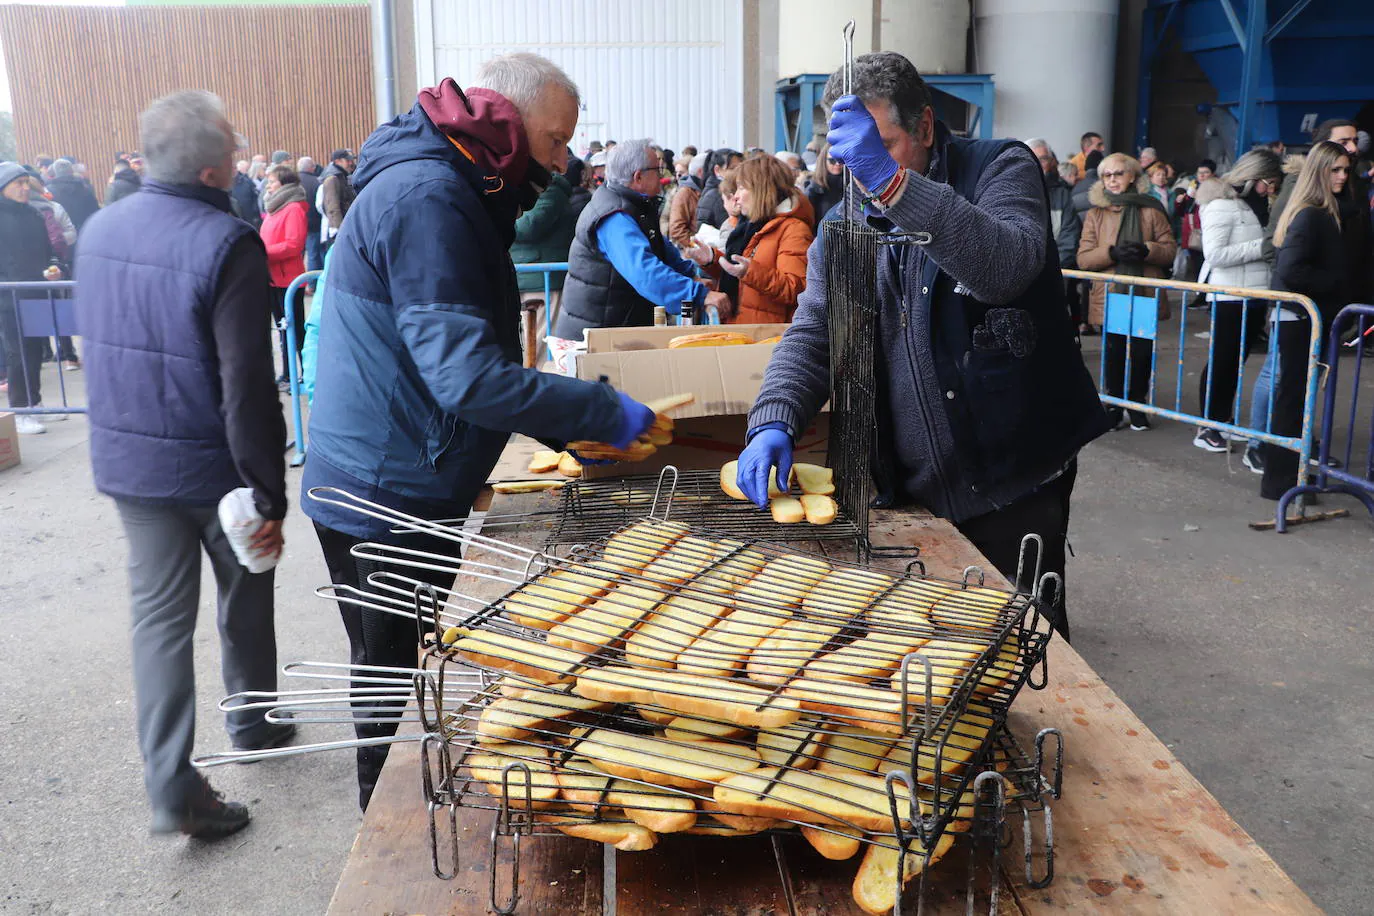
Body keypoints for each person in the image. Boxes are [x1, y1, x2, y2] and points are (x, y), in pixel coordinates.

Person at [303, 54, 661, 809]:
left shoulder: (449, 179)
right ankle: (387, 835)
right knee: (393, 686)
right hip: (384, 489)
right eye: (557, 142)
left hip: (391, 467)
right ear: (510, 120)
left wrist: (557, 435)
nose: (563, 164)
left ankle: (395, 806)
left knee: (393, 665)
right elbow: (463, 375)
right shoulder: (430, 196)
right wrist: (599, 413)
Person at [741, 52, 1106, 639]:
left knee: (1024, 649)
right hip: (910, 488)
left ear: (927, 127)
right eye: (851, 157)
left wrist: (894, 184)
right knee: (930, 652)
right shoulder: (844, 225)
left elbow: (1006, 267)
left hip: (1013, 478)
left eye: (881, 146)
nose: (862, 173)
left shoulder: (1000, 168)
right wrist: (773, 419)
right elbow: (815, 333)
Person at [74, 91, 292, 840]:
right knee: (246, 593)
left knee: (160, 625)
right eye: (233, 151)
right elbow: (247, 385)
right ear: (213, 167)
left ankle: (171, 785)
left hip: (130, 464)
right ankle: (252, 721)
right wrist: (268, 490)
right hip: (213, 467)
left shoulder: (98, 230)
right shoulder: (227, 240)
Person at [553, 139, 729, 339]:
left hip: (613, 329)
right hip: (597, 335)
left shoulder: (633, 206)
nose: (662, 175)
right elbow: (645, 272)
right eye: (657, 169)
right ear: (638, 177)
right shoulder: (614, 217)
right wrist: (699, 294)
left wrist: (691, 276)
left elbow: (661, 247)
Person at [1261, 141, 1351, 500]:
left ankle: (1288, 478)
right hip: (1299, 317)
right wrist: (1337, 285)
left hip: (1300, 316)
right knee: (1292, 398)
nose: (1343, 176)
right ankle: (1282, 481)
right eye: (1336, 170)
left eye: (1346, 169)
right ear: (1320, 172)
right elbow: (1291, 270)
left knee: (1295, 398)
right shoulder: (1311, 213)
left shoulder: (1317, 210)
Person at [1077, 152, 1178, 431]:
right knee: (1114, 352)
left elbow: (1170, 250)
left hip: (1144, 292)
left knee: (1143, 352)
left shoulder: (1152, 209)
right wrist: (1111, 252)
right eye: (1107, 175)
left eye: (1118, 174)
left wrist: (1148, 250)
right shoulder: (1096, 213)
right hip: (1112, 294)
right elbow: (1083, 258)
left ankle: (1137, 404)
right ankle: (1113, 405)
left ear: (1132, 176)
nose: (1112, 180)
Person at [1192, 149, 1283, 453]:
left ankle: (1223, 420)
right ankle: (1208, 425)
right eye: (1266, 182)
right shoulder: (1221, 205)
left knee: (1234, 363)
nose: (1269, 188)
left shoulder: (1255, 204)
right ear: (1252, 176)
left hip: (1255, 294)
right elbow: (1215, 255)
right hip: (1230, 296)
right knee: (1223, 361)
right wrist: (1264, 247)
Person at [704, 155, 814, 324]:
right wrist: (711, 259)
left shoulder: (793, 230)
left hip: (767, 337)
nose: (736, 197)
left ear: (761, 190)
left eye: (742, 188)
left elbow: (796, 288)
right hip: (743, 329)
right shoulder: (750, 225)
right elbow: (738, 273)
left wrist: (750, 272)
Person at [0, 162, 54, 434]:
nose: (23, 188)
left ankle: (35, 402)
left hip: (35, 293)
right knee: (17, 352)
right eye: (17, 184)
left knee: (35, 352)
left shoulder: (34, 215)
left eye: (25, 183)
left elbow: (49, 252)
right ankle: (20, 409)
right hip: (8, 298)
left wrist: (55, 268)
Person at [259, 165, 309, 384]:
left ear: (284, 184)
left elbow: (294, 244)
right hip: (273, 278)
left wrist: (262, 252)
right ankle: (288, 373)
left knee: (296, 330)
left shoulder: (293, 208)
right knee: (281, 330)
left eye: (272, 181)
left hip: (288, 279)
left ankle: (306, 372)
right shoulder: (274, 207)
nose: (268, 185)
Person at [511, 166, 577, 311]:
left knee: (540, 333)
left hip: (542, 283)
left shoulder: (551, 190)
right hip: (527, 279)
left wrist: (497, 219)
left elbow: (528, 227)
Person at [1027, 139, 1082, 272]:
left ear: (1051, 162)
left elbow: (1069, 241)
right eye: (1031, 157)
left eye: (1043, 159)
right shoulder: (1008, 192)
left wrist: (1048, 273)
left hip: (1051, 276)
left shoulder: (1062, 196)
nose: (1037, 163)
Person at [46, 158, 99, 231]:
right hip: (84, 231)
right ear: (72, 171)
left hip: (63, 234)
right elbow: (95, 212)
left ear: (55, 172)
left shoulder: (48, 192)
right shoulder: (85, 189)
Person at [668, 151, 706, 249]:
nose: (678, 176)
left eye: (681, 173)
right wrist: (696, 247)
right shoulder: (684, 193)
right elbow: (677, 229)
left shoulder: (702, 190)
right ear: (700, 172)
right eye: (677, 173)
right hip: (694, 254)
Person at [696, 148, 742, 230]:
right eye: (732, 168)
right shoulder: (717, 195)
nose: (738, 172)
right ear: (717, 170)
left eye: (740, 168)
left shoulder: (730, 190)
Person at [319, 148, 356, 248]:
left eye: (351, 160)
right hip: (339, 231)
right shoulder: (332, 178)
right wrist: (341, 231)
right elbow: (332, 208)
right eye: (347, 160)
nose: (350, 163)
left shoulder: (342, 176)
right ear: (337, 161)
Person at [296, 156, 324, 276]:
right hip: (314, 223)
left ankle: (300, 281)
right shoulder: (317, 182)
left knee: (299, 255)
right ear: (311, 168)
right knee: (313, 254)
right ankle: (313, 283)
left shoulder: (292, 182)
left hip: (296, 224)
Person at [805, 142, 845, 220]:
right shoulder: (814, 188)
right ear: (824, 161)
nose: (837, 164)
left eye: (841, 160)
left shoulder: (851, 185)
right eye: (832, 160)